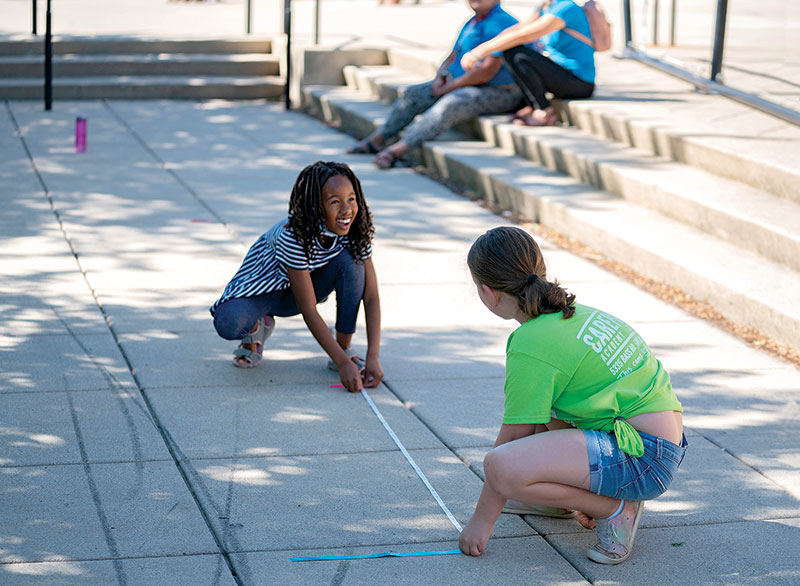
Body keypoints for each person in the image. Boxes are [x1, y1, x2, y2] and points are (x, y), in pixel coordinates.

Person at [459, 226, 687, 565]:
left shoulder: (530, 343)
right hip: (663, 444)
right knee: (545, 407)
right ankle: (557, 500)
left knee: (501, 467)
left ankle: (615, 508)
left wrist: (483, 519)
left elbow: (511, 441)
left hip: (644, 458)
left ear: (488, 293)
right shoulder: (575, 313)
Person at [210, 161, 383, 392]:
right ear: (315, 207)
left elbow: (371, 297)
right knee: (229, 322)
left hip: (298, 290)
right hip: (261, 292)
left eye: (351, 199)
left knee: (351, 263)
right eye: (334, 202)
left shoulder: (354, 228)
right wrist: (344, 366)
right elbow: (309, 309)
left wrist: (373, 357)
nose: (346, 210)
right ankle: (256, 329)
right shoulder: (293, 235)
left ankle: (343, 347)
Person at [347, 0, 523, 168]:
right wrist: (440, 76)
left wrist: (449, 87)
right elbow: (453, 55)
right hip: (459, 83)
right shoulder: (472, 21)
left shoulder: (502, 22)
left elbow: (486, 72)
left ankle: (398, 150)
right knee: (413, 93)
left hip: (499, 91)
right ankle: (378, 139)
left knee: (451, 102)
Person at [460, 0, 596, 126]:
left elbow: (524, 36)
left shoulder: (566, 8)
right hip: (560, 74)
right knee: (512, 51)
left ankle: (544, 111)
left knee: (517, 54)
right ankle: (532, 105)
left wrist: (480, 52)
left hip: (579, 82)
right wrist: (484, 48)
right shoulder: (546, 7)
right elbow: (516, 30)